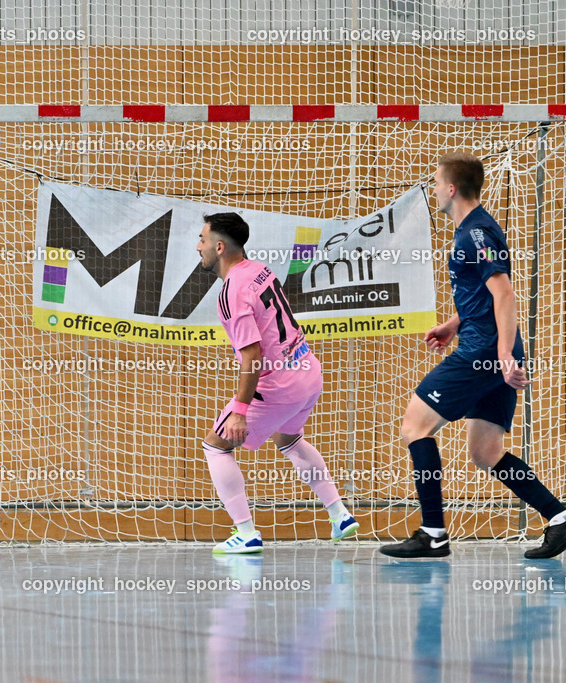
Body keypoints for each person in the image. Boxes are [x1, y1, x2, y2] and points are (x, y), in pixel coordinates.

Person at [380, 152, 566, 559]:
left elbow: (504, 293)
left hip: (483, 352)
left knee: (414, 426)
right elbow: (482, 296)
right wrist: (454, 323)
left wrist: (501, 352)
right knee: (486, 453)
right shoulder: (471, 231)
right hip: (483, 345)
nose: (432, 190)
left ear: (450, 189)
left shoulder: (475, 233)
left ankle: (433, 533)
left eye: (435, 183)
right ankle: (558, 517)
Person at [197, 213, 358, 554]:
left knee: (216, 446)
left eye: (202, 240)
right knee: (289, 439)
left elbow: (253, 355)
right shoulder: (260, 270)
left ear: (220, 247)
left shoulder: (231, 292)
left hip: (278, 386)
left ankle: (246, 532)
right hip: (308, 372)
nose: (199, 247)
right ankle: (339, 514)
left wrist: (240, 410)